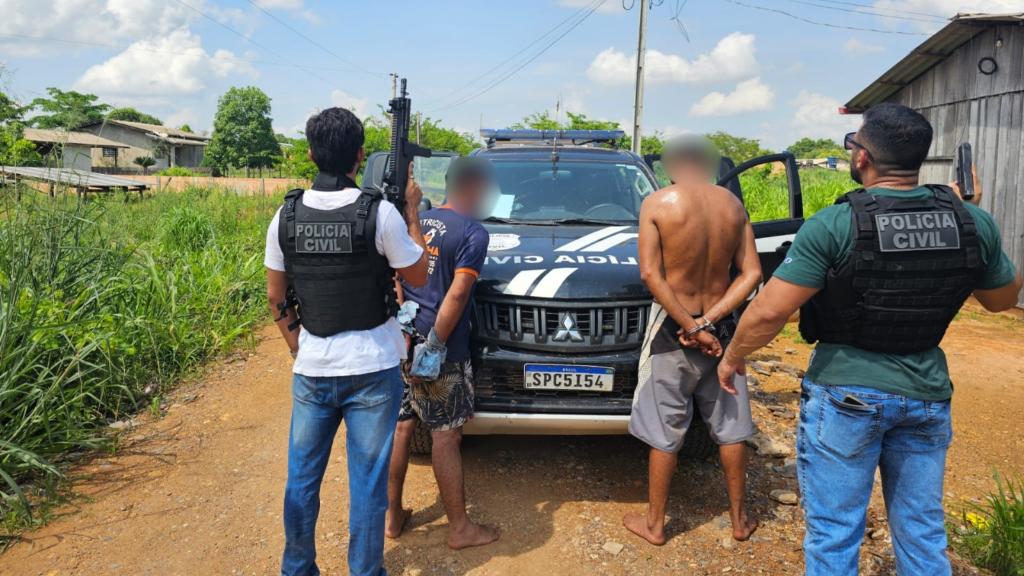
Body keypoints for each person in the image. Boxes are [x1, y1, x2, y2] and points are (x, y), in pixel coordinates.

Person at [717, 103, 1023, 576]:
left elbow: (770, 311)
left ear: (862, 157)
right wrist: (970, 215)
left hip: (845, 395)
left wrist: (733, 355)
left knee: (835, 531)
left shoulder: (836, 223)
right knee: (921, 530)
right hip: (926, 394)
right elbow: (1002, 300)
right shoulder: (971, 222)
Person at [265, 107, 429, 576]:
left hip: (313, 369)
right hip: (373, 369)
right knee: (367, 486)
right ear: (360, 155)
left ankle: (298, 568)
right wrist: (411, 212)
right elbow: (419, 275)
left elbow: (276, 297)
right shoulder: (379, 213)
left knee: (301, 481)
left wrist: (299, 347)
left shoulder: (285, 215)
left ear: (310, 154)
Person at [623, 134, 763, 546]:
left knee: (664, 429)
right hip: (723, 334)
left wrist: (690, 324)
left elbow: (651, 275)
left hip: (673, 331)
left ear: (671, 166)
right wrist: (710, 321)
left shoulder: (657, 203)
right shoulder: (732, 206)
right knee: (732, 428)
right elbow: (752, 274)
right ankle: (739, 521)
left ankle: (655, 524)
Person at [385, 157, 501, 550]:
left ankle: (391, 517)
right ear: (474, 188)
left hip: (403, 341)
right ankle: (460, 528)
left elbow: (396, 277)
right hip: (442, 349)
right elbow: (457, 293)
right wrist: (435, 344)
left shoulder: (418, 220)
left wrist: (405, 328)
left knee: (402, 427)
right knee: (446, 436)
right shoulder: (473, 233)